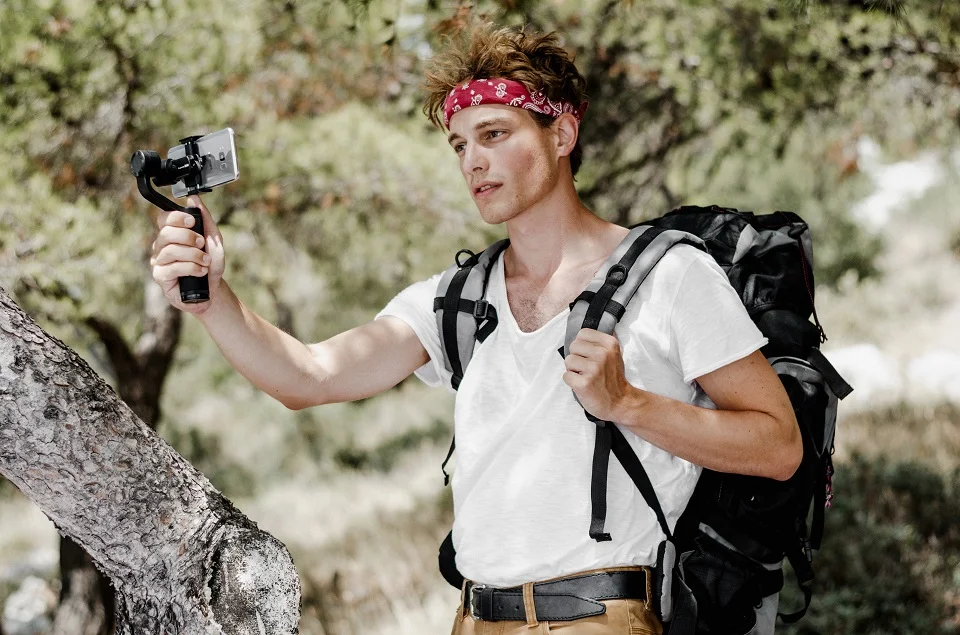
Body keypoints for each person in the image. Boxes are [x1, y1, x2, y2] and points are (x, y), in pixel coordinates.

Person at [149, 22, 802, 635]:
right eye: (460, 144)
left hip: (600, 619)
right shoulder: (456, 298)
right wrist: (214, 301)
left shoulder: (671, 275)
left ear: (561, 134)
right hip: (473, 617)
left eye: (494, 134)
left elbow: (778, 446)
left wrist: (628, 403)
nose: (472, 162)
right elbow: (308, 378)